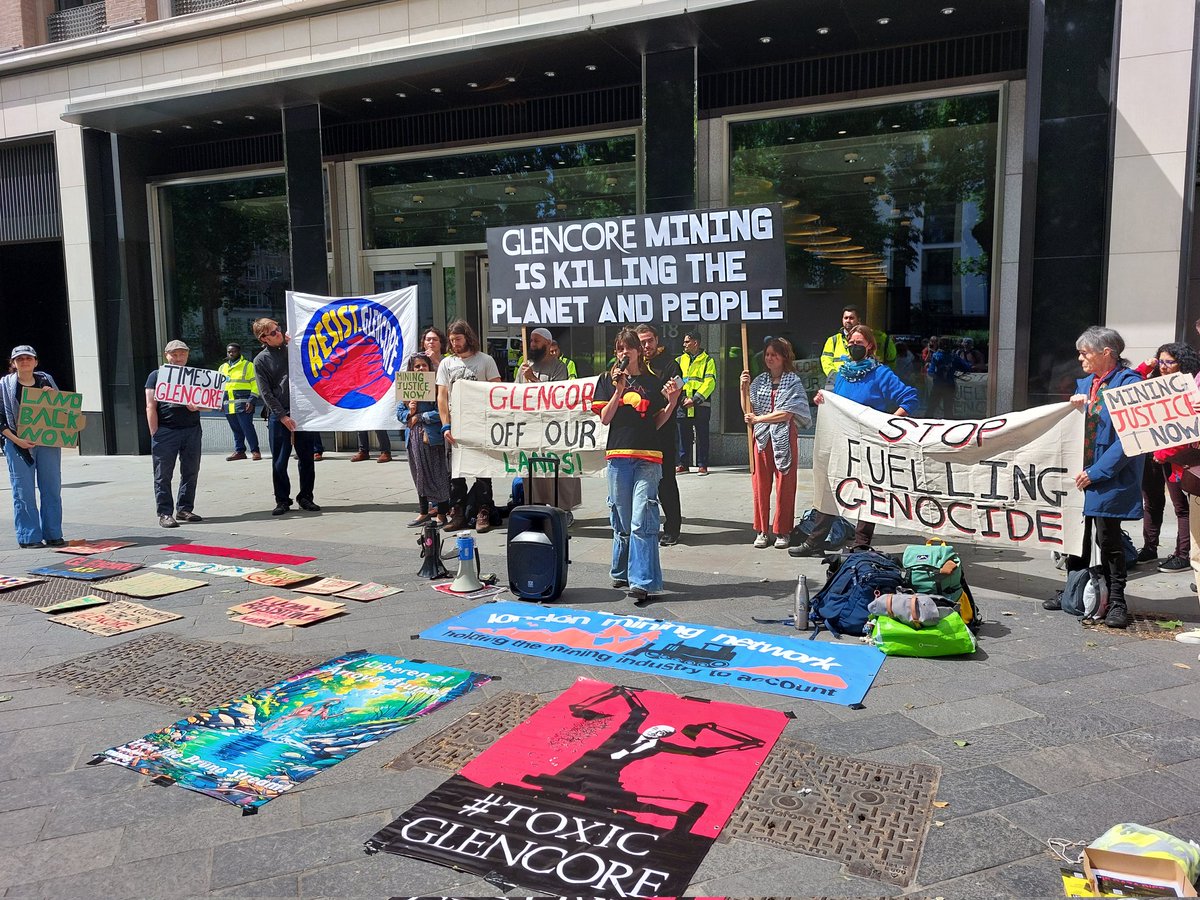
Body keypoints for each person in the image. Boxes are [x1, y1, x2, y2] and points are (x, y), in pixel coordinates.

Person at [1042, 326, 1144, 629]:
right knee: (1076, 536)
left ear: (1106, 353)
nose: (1080, 357)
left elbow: (1131, 437)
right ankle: (1075, 591)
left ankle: (1116, 601)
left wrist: (1096, 473)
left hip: (1108, 476)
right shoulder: (1086, 384)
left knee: (1108, 538)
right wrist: (1075, 410)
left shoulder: (1131, 385)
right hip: (1079, 473)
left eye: (1085, 352)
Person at [791, 325, 918, 557]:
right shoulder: (842, 374)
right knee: (830, 488)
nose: (853, 346)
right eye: (850, 343)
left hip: (867, 443)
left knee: (868, 493)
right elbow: (834, 401)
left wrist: (886, 423)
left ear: (870, 345)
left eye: (858, 342)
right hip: (841, 441)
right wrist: (823, 398)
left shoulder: (881, 374)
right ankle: (815, 542)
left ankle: (860, 543)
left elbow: (909, 398)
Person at [591, 328, 680, 604]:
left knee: (642, 518)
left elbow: (656, 421)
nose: (623, 353)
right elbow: (605, 418)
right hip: (619, 455)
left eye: (628, 348)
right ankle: (621, 570)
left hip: (648, 457)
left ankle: (641, 581)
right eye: (619, 348)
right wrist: (619, 391)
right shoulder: (607, 380)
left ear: (638, 351)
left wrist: (673, 401)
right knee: (621, 518)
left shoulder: (653, 381)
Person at [740, 337, 811, 549]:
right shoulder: (759, 381)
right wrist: (743, 388)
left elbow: (788, 413)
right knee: (760, 485)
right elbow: (748, 411)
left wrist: (759, 419)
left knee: (785, 486)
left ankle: (783, 531)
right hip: (761, 438)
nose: (770, 358)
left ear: (783, 358)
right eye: (767, 354)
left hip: (784, 438)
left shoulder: (793, 381)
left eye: (775, 355)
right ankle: (762, 530)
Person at [1134, 342, 1196, 572]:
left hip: (1176, 457)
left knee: (1181, 506)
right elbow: (1125, 391)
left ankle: (1183, 554)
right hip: (1151, 453)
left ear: (1182, 363)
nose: (1163, 366)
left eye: (1169, 362)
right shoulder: (1151, 381)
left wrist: (1164, 454)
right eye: (1160, 361)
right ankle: (1150, 548)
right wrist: (1145, 367)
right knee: (1151, 501)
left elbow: (1186, 426)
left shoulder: (1189, 388)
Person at [437, 319, 501, 532]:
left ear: (468, 338)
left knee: (483, 469)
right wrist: (446, 425)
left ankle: (483, 510)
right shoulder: (447, 364)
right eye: (452, 340)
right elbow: (442, 396)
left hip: (479, 423)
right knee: (454, 472)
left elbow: (496, 391)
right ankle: (458, 511)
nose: (454, 344)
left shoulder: (485, 361)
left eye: (458, 339)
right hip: (455, 425)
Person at [253, 318, 320, 516]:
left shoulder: (294, 349)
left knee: (307, 457)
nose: (279, 333)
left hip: (303, 410)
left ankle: (306, 497)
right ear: (263, 338)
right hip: (279, 413)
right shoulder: (261, 360)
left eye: (278, 329)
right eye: (273, 333)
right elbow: (265, 393)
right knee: (280, 460)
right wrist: (282, 416)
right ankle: (282, 500)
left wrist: (296, 346)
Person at [0, 345, 66, 547]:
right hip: (17, 444)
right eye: (20, 359)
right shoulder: (4, 386)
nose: (25, 361)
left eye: (28, 358)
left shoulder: (46, 381)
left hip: (48, 444)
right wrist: (18, 440)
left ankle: (53, 533)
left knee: (52, 488)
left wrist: (54, 396)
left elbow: (61, 413)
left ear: (36, 362)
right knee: (23, 492)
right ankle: (29, 536)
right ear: (13, 364)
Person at [517, 327, 581, 511]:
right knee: (534, 472)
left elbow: (557, 397)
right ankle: (536, 508)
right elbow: (515, 396)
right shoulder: (525, 367)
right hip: (532, 429)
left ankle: (563, 510)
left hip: (555, 430)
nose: (532, 345)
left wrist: (534, 380)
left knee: (558, 473)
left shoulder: (559, 367)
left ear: (547, 343)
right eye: (531, 341)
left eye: (536, 341)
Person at [145, 339, 204, 528]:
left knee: (191, 471)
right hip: (166, 431)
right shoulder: (156, 375)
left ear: (187, 355)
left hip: (192, 430)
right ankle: (164, 513)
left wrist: (198, 407)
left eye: (182, 354)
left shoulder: (195, 375)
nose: (179, 358)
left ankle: (184, 508)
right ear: (167, 355)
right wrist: (154, 431)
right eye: (174, 354)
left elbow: (208, 403)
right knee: (163, 474)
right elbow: (150, 405)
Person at [637, 325, 683, 545]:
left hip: (663, 431)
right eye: (642, 342)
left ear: (657, 341)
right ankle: (645, 526)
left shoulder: (671, 364)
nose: (646, 346)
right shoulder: (633, 365)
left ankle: (673, 528)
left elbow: (674, 393)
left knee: (666, 482)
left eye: (650, 341)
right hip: (640, 434)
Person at [397, 353, 450, 527]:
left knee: (438, 474)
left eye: (423, 366)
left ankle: (442, 512)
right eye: (417, 366)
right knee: (419, 474)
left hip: (431, 438)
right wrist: (409, 412)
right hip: (412, 439)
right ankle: (423, 512)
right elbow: (399, 413)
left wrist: (420, 416)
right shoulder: (406, 389)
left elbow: (441, 411)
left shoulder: (436, 387)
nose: (420, 369)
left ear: (429, 368)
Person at [676, 330, 717, 476]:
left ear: (695, 342)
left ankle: (702, 465)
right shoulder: (680, 360)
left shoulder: (708, 361)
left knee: (702, 435)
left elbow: (710, 382)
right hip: (682, 404)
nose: (684, 344)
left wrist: (695, 400)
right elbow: (674, 380)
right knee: (683, 435)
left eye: (687, 341)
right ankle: (683, 464)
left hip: (700, 404)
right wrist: (681, 399)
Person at [820, 306, 896, 381]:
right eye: (845, 318)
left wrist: (883, 376)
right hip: (840, 381)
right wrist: (836, 377)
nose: (848, 320)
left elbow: (891, 359)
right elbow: (825, 361)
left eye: (851, 318)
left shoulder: (878, 337)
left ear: (858, 320)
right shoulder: (833, 340)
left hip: (868, 380)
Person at [218, 342, 261, 462]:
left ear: (239, 352)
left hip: (244, 403)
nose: (231, 353)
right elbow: (219, 387)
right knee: (236, 429)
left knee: (247, 428)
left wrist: (251, 400)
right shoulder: (222, 367)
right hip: (228, 404)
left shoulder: (248, 366)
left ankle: (255, 451)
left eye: (234, 351)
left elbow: (255, 384)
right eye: (229, 351)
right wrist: (219, 402)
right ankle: (240, 451)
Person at [925, 336, 972, 417]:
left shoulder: (935, 356)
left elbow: (931, 372)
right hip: (949, 385)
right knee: (948, 409)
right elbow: (967, 367)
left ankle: (925, 425)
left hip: (938, 385)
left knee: (931, 408)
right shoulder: (954, 357)